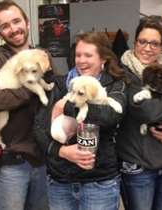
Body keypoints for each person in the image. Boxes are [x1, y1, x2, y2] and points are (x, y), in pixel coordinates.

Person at [34, 32, 126, 210]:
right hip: (60, 181)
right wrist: (62, 152)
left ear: (103, 59)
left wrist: (67, 106)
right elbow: (39, 128)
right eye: (78, 55)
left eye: (88, 55)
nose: (81, 60)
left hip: (99, 182)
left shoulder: (115, 84)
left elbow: (109, 116)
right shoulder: (60, 84)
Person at [0, 1, 49, 210]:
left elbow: (54, 96)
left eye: (16, 21)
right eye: (5, 25)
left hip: (43, 158)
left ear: (26, 22)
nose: (13, 29)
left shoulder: (42, 56)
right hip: (12, 161)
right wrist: (29, 89)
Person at [116, 19, 162, 210]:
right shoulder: (122, 74)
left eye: (154, 43)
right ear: (135, 42)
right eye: (142, 41)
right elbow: (148, 111)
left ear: (161, 46)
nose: (147, 48)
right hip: (138, 165)